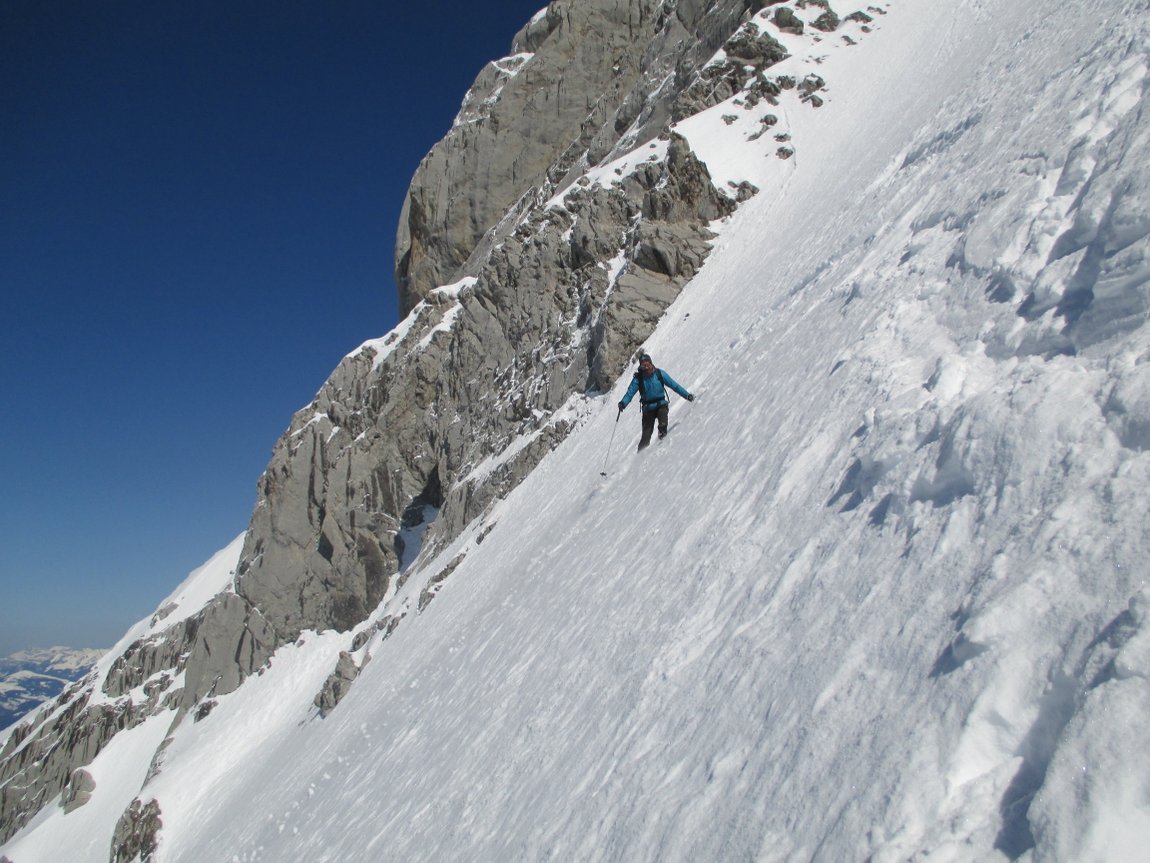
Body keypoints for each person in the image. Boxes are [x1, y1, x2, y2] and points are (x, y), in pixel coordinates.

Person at [618, 352, 695, 450]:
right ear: (641, 367)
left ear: (651, 363)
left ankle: (662, 446)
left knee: (663, 423)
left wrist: (687, 395)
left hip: (661, 405)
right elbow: (630, 393)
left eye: (647, 364)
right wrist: (623, 403)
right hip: (648, 409)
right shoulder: (638, 379)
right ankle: (640, 456)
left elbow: (674, 385)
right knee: (646, 437)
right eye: (643, 365)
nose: (646, 367)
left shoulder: (659, 374)